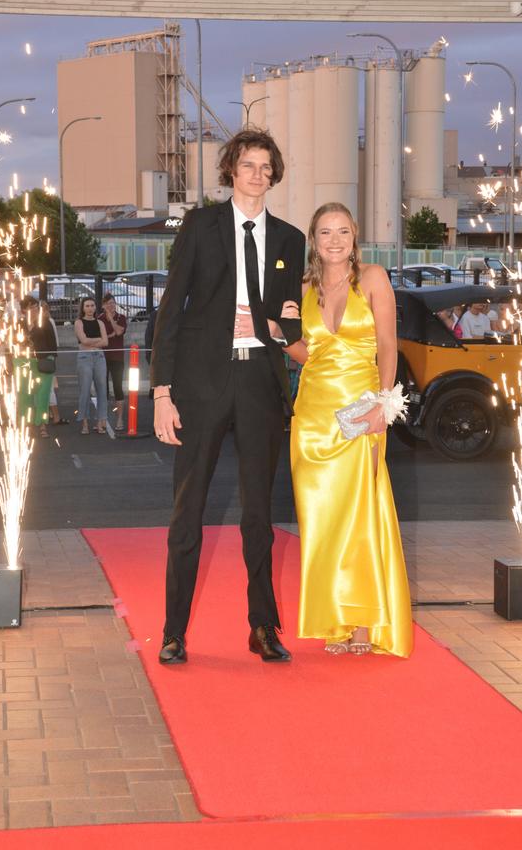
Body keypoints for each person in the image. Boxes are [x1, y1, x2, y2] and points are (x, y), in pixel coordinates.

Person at [151, 128, 305, 665]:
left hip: (259, 385)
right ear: (231, 171)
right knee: (187, 512)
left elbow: (291, 322)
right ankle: (174, 630)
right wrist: (162, 392)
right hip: (199, 385)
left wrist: (286, 326)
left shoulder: (289, 238)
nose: (257, 175)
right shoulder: (200, 225)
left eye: (266, 166)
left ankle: (263, 627)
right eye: (248, 165)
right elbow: (171, 309)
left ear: (273, 174)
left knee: (259, 515)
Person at [286, 203, 413, 658]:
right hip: (313, 418)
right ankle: (333, 620)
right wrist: (273, 332)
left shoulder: (373, 277)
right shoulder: (301, 287)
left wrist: (383, 403)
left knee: (361, 515)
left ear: (355, 235)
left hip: (362, 414)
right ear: (313, 240)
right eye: (325, 232)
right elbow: (308, 353)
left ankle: (362, 621)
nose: (334, 240)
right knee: (320, 520)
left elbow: (386, 344)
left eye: (342, 231)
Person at [17, 296, 57, 438]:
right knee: (24, 394)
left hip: (42, 361)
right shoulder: (19, 324)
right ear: (23, 310)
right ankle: (25, 424)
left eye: (35, 306)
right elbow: (12, 343)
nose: (34, 309)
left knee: (43, 395)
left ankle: (42, 424)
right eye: (30, 307)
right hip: (23, 361)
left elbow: (53, 345)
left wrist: (50, 358)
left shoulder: (45, 322)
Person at [74, 297, 108, 435]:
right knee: (85, 390)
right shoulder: (78, 322)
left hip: (99, 357)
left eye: (92, 305)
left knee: (102, 389)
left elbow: (105, 342)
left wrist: (91, 343)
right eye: (87, 306)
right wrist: (97, 340)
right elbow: (83, 340)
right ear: (83, 308)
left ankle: (101, 422)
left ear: (95, 307)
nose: (90, 308)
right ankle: (85, 422)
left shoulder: (100, 322)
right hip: (84, 358)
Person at [98, 293, 127, 431]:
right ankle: (102, 420)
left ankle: (120, 419)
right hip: (102, 358)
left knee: (118, 388)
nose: (111, 305)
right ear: (103, 305)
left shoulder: (122, 317)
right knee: (103, 389)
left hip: (117, 358)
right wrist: (110, 335)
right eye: (108, 303)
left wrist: (111, 319)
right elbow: (99, 338)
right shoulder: (99, 319)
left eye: (113, 303)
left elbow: (119, 332)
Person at [40, 300, 67, 425]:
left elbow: (54, 342)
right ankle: (51, 413)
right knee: (47, 386)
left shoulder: (48, 322)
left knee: (48, 387)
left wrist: (52, 357)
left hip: (46, 358)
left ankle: (54, 414)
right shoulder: (44, 321)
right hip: (46, 358)